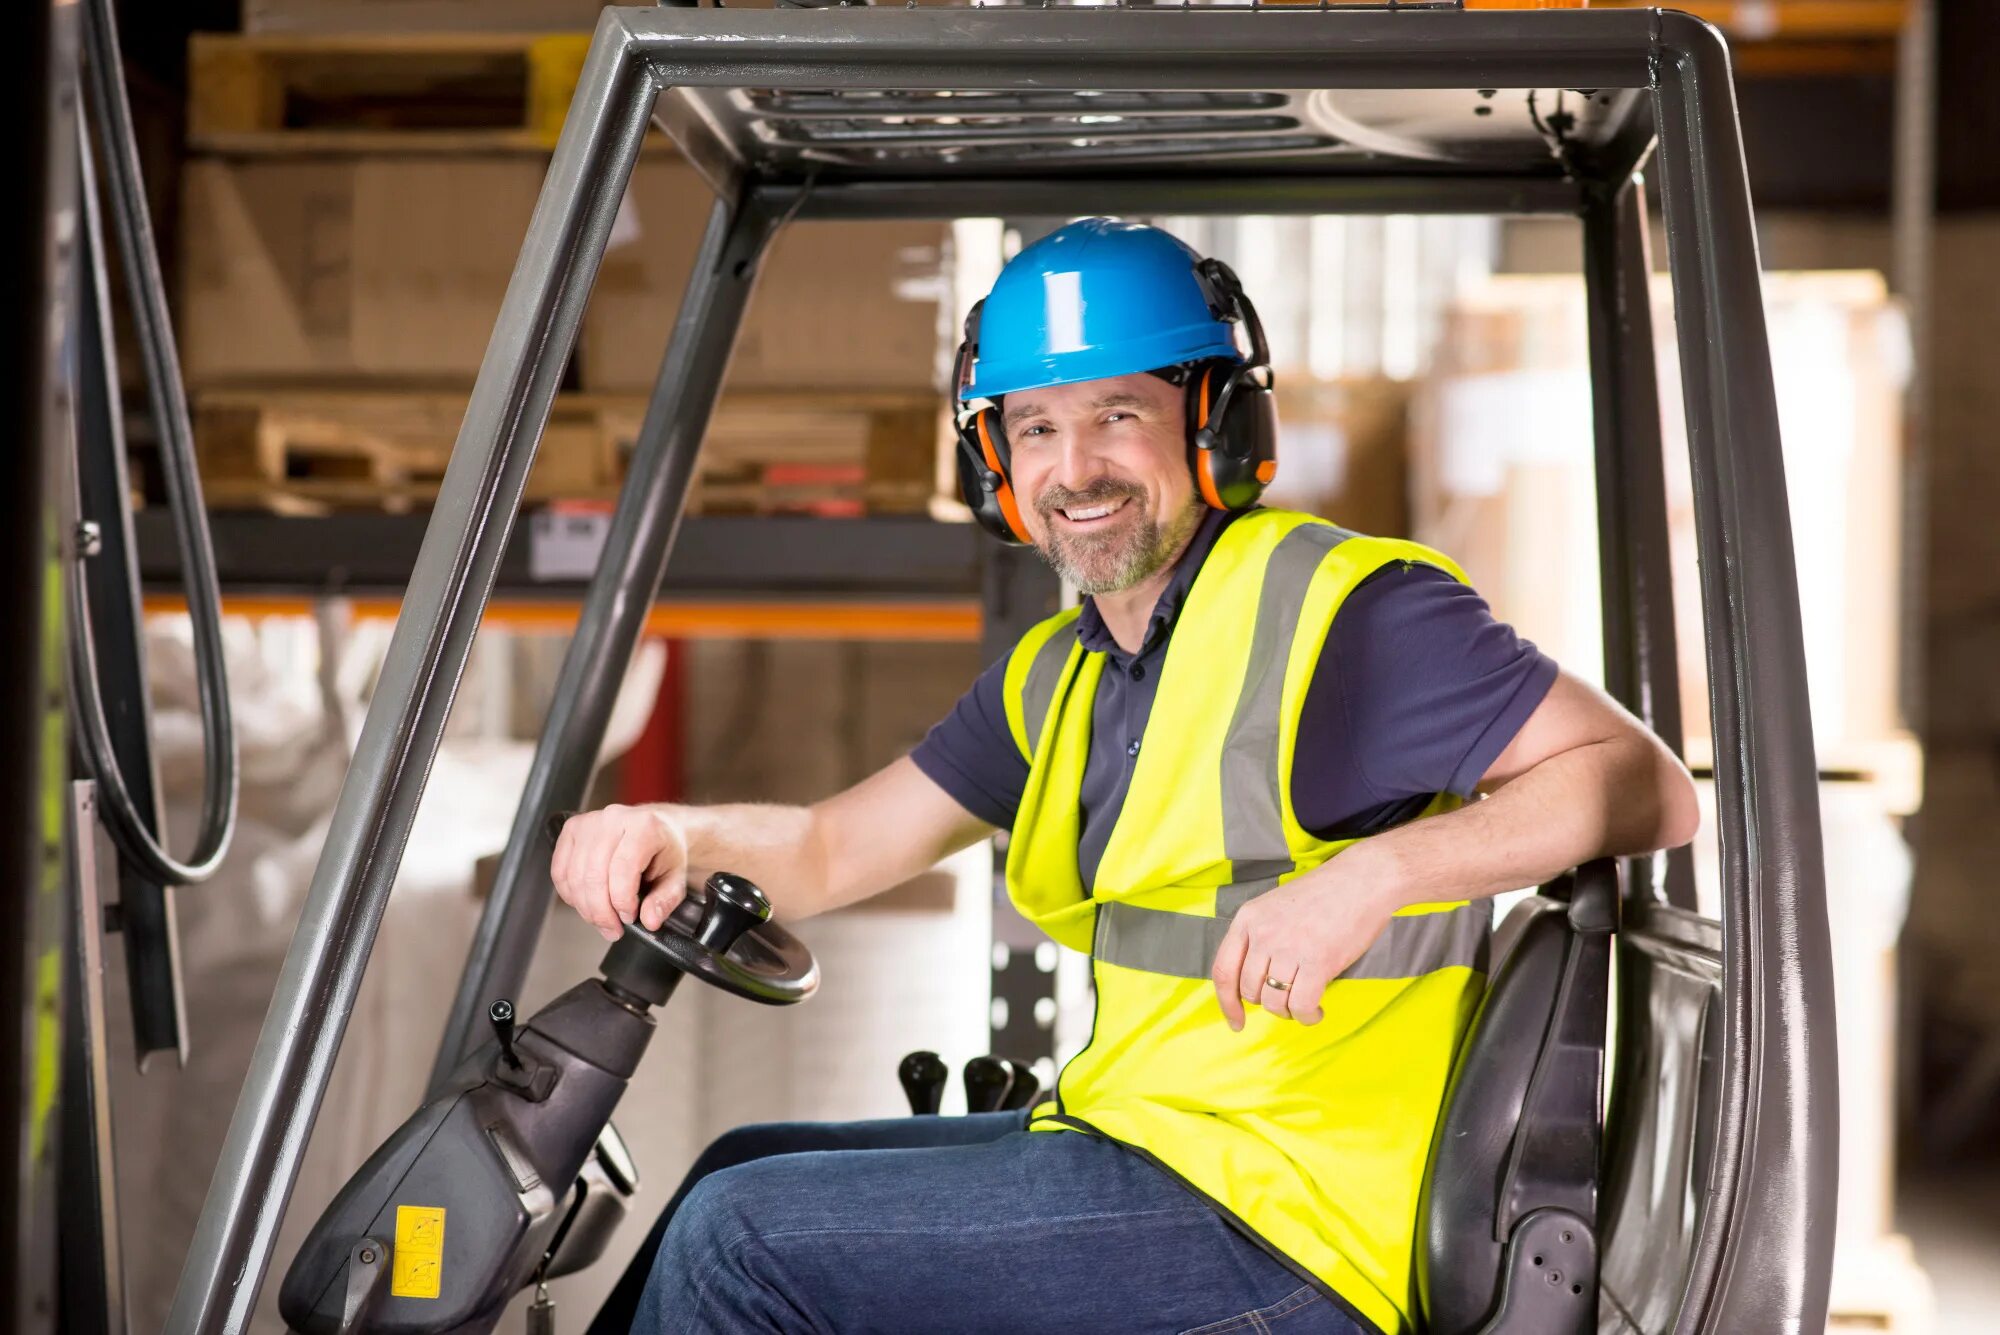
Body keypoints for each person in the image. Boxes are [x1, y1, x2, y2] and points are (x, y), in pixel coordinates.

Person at [558, 218, 1698, 1335]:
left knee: (739, 1237)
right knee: (742, 1166)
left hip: (1288, 1229)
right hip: (1141, 1152)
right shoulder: (1060, 675)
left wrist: (1377, 873)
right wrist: (669, 832)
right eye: (1035, 425)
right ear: (993, 459)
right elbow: (827, 850)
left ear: (1213, 424)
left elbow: (1643, 784)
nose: (1074, 469)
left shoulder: (1346, 613)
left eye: (1118, 414)